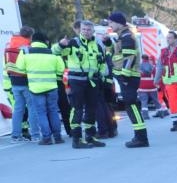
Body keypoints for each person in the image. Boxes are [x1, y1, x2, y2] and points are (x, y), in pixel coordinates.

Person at [106, 11, 149, 148]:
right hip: (126, 76)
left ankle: (141, 137)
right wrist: (108, 43)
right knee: (131, 106)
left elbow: (129, 57)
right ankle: (139, 136)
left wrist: (124, 75)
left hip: (128, 77)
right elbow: (117, 54)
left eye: (111, 22)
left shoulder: (126, 36)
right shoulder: (122, 36)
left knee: (132, 105)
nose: (110, 25)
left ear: (118, 22)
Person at [15, 31, 65, 145]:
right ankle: (58, 137)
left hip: (35, 88)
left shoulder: (26, 52)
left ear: (33, 40)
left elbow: (19, 68)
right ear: (44, 41)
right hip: (52, 87)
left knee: (41, 113)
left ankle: (46, 138)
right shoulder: (52, 52)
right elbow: (61, 69)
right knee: (53, 111)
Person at [64, 20, 107, 149]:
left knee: (91, 109)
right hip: (77, 81)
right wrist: (61, 45)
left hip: (92, 82)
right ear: (80, 30)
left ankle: (90, 136)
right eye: (84, 29)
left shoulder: (97, 45)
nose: (86, 32)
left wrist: (102, 75)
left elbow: (102, 61)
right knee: (77, 109)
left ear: (93, 31)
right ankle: (77, 139)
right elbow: (58, 52)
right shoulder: (73, 42)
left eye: (89, 30)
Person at [4, 26, 35, 142]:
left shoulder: (9, 45)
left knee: (17, 109)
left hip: (13, 81)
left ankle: (16, 135)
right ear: (30, 36)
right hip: (26, 81)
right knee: (32, 108)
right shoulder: (27, 47)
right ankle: (35, 133)